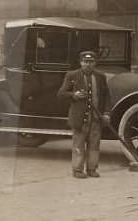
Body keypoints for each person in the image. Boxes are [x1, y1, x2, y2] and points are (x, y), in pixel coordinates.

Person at [57, 50, 110, 179]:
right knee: (78, 145)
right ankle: (78, 170)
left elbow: (107, 96)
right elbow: (61, 94)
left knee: (94, 145)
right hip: (79, 118)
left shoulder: (101, 76)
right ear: (81, 62)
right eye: (85, 62)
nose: (88, 64)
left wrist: (107, 113)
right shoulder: (72, 75)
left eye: (91, 62)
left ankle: (92, 169)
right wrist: (74, 95)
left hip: (96, 119)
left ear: (95, 63)